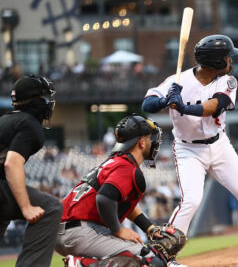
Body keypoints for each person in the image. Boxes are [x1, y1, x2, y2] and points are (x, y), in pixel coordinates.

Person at [142, 34, 238, 266]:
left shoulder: (227, 81)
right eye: (226, 57)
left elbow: (214, 106)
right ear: (215, 61)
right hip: (188, 150)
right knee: (191, 201)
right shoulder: (177, 80)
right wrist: (166, 101)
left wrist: (182, 106)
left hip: (219, 145)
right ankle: (165, 254)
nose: (230, 61)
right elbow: (147, 104)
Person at [56, 114, 167, 267]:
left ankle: (87, 263)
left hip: (66, 231)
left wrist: (148, 227)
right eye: (148, 138)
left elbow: (120, 201)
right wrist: (118, 230)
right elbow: (104, 198)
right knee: (151, 261)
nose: (151, 142)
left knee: (136, 256)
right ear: (141, 142)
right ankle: (84, 265)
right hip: (81, 232)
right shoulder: (125, 167)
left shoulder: (114, 162)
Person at [0, 75, 63, 267]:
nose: (48, 102)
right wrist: (26, 207)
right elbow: (12, 163)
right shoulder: (30, 125)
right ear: (37, 100)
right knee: (51, 208)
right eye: (45, 97)